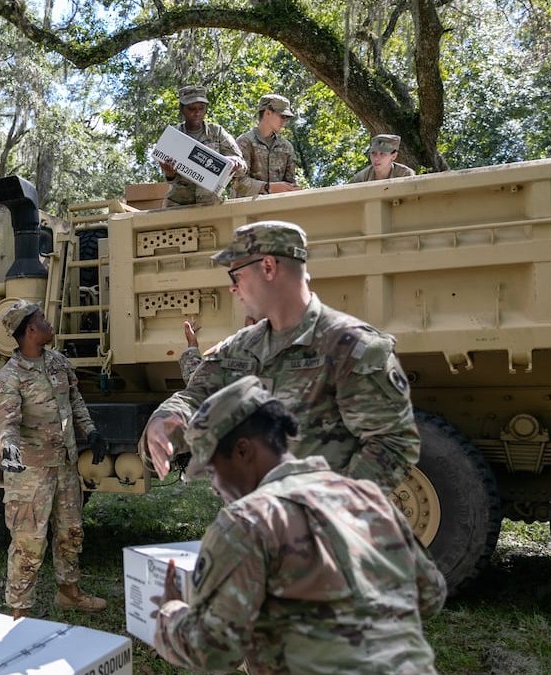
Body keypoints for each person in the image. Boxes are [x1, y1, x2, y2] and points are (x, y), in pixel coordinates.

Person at [152, 376, 446, 674]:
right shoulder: (368, 497)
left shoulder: (248, 521)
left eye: (213, 470)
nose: (215, 486)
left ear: (243, 451)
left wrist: (171, 612)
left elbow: (213, 652)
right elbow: (431, 595)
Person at [141, 220, 419, 493]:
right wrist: (164, 423)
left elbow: (393, 444)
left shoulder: (352, 347)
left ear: (268, 267)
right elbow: (196, 396)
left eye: (235, 275)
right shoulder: (239, 348)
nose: (232, 288)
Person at [0, 300, 109, 619]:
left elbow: (74, 399)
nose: (48, 322)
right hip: (31, 474)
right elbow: (6, 424)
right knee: (29, 541)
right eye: (42, 319)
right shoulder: (9, 378)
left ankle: (69, 592)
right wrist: (8, 447)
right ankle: (20, 609)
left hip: (65, 466)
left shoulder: (57, 362)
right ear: (30, 330)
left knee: (71, 532)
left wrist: (91, 431)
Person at [160, 85, 247, 207]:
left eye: (201, 108)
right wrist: (170, 174)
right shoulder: (173, 137)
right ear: (182, 109)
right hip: (178, 205)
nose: (197, 113)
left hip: (211, 204)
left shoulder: (217, 132)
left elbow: (242, 168)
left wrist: (235, 164)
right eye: (191, 108)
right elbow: (168, 175)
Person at [234, 93, 302, 196]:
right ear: (268, 113)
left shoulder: (286, 147)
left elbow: (290, 183)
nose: (285, 121)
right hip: (247, 209)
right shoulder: (245, 142)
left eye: (287, 118)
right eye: (282, 116)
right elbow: (237, 182)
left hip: (277, 208)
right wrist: (268, 188)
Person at [349, 134, 416, 183]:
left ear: (393, 156)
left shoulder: (405, 175)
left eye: (382, 154)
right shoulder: (361, 178)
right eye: (373, 153)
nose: (376, 158)